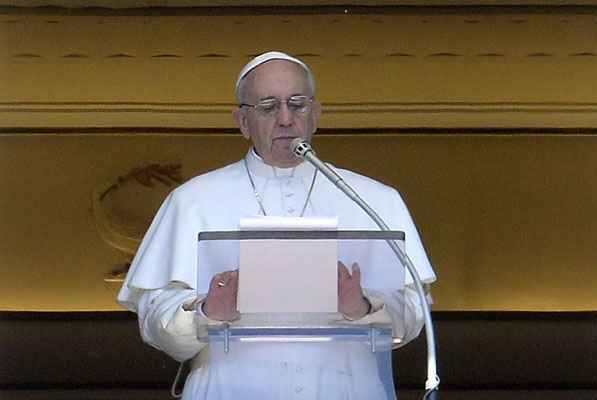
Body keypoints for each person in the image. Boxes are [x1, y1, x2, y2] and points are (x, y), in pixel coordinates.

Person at [118, 51, 436, 400]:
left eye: (297, 105)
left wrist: (362, 307)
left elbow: (414, 313)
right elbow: (154, 321)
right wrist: (206, 313)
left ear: (315, 115)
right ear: (242, 121)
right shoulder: (192, 201)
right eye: (269, 107)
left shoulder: (374, 200)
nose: (286, 119)